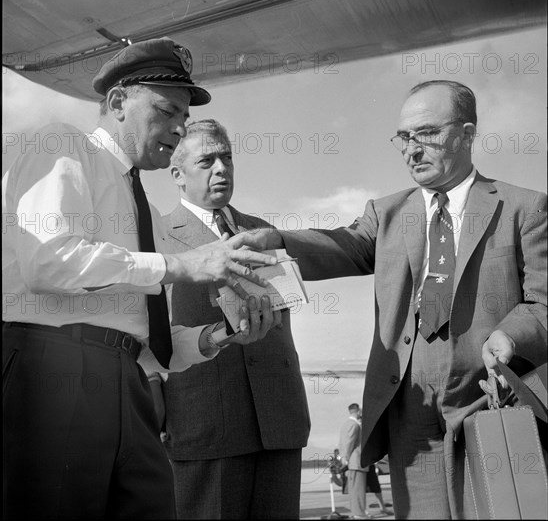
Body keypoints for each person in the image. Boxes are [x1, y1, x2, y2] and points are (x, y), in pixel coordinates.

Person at [2, 38, 281, 520]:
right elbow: (50, 263)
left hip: (130, 383)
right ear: (117, 102)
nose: (178, 128)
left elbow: (146, 336)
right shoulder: (64, 146)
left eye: (184, 119)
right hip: (54, 370)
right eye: (167, 109)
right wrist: (180, 265)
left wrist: (220, 337)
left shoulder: (145, 210)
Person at [246, 80, 547, 518]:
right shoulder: (386, 214)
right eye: (403, 137)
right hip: (408, 412)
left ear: (466, 133)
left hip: (490, 402)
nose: (411, 148)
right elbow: (339, 245)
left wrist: (510, 336)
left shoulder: (526, 208)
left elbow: (543, 302)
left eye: (425, 133)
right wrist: (277, 239)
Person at [149, 119, 310, 519]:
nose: (222, 168)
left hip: (278, 422)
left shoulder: (265, 233)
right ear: (177, 175)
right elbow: (150, 338)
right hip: (204, 426)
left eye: (227, 157)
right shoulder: (154, 239)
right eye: (207, 160)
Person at [338, 403, 369, 519]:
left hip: (352, 461)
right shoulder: (354, 425)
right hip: (356, 461)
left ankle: (357, 512)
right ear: (357, 411)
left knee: (354, 489)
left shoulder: (346, 424)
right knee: (358, 489)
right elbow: (348, 443)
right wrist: (345, 457)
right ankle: (359, 513)